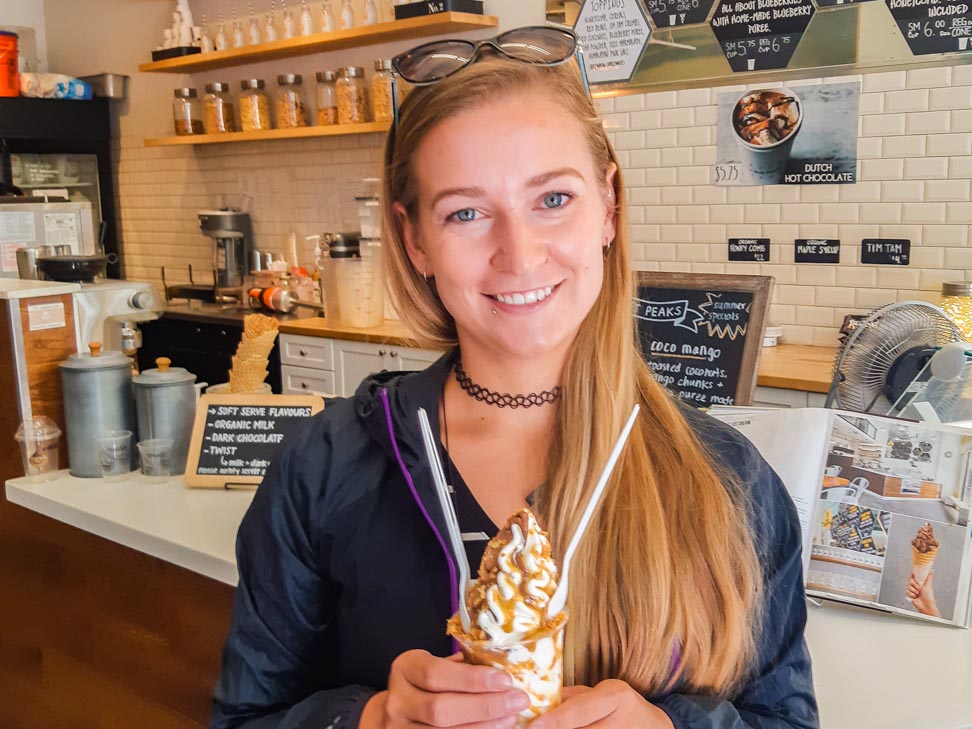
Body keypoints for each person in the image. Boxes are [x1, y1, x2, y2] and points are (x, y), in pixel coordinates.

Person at [211, 26, 818, 729]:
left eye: (553, 199)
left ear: (609, 207)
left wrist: (673, 726)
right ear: (415, 241)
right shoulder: (322, 470)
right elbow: (242, 717)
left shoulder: (727, 480)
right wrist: (368, 718)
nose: (519, 254)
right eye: (465, 212)